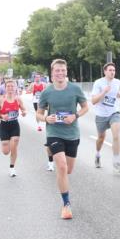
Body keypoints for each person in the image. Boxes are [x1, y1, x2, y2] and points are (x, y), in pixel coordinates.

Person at [37, 59, 89, 219]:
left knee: (68, 170)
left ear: (66, 72)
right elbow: (38, 114)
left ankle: (63, 182)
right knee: (61, 166)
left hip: (72, 134)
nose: (60, 73)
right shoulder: (47, 92)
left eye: (62, 70)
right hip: (54, 133)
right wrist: (46, 119)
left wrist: (75, 115)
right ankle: (66, 204)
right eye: (56, 70)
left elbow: (86, 107)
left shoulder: (75, 89)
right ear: (52, 73)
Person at [91, 62, 120, 172]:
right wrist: (103, 92)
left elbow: (115, 92)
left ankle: (116, 161)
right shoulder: (98, 83)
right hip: (101, 115)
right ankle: (97, 155)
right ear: (105, 71)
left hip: (114, 113)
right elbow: (93, 101)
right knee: (101, 138)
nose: (112, 72)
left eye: (114, 70)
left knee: (116, 135)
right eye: (110, 70)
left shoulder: (117, 82)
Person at [0, 78, 28, 176]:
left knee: (14, 147)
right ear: (5, 88)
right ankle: (5, 144)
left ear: (15, 88)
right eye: (8, 86)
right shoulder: (1, 100)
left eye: (12, 86)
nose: (10, 88)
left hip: (14, 125)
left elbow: (24, 109)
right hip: (4, 125)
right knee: (5, 151)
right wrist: (1, 116)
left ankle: (12, 168)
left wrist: (24, 112)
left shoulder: (18, 99)